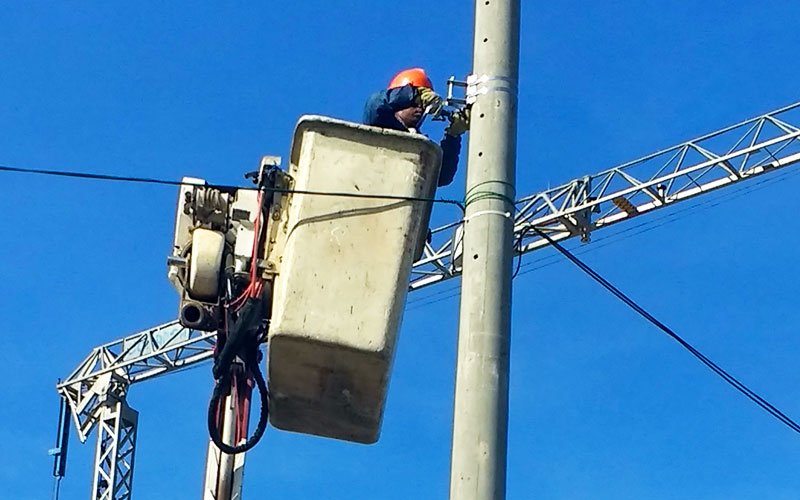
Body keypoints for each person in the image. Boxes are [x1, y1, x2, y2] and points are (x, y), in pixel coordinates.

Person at [363, 68, 469, 187]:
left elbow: (442, 176)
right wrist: (414, 94)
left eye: (423, 106)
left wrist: (453, 136)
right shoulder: (382, 123)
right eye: (414, 104)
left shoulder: (419, 143)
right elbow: (374, 104)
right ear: (397, 103)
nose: (419, 109)